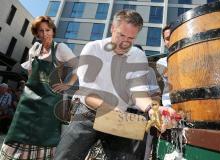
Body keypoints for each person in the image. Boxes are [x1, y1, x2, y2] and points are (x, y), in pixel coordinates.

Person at [55, 10, 175, 160]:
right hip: (88, 112)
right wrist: (111, 108)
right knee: (65, 156)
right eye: (121, 35)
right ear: (112, 28)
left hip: (119, 116)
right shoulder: (92, 49)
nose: (125, 43)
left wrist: (153, 109)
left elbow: (138, 93)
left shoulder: (138, 56)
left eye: (131, 38)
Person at [0, 16, 78, 160]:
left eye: (47, 30)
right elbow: (31, 75)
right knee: (19, 133)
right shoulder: (34, 49)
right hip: (29, 101)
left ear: (53, 31)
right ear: (37, 34)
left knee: (44, 136)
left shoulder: (60, 48)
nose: (45, 34)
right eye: (41, 31)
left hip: (49, 102)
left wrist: (68, 84)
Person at [157, 24, 171, 107]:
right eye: (167, 39)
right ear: (164, 42)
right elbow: (172, 75)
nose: (171, 41)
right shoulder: (161, 62)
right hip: (169, 106)